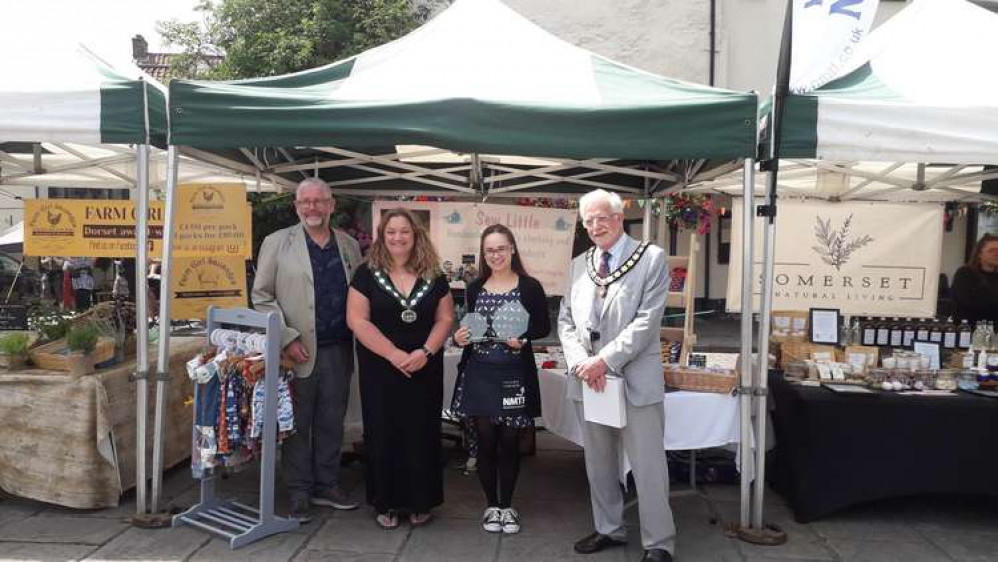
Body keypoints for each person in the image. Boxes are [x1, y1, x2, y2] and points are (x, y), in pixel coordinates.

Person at [558, 189, 676, 562]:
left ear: (619, 217)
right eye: (589, 220)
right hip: (589, 381)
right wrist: (581, 362)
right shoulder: (579, 264)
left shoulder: (651, 258)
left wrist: (603, 361)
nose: (595, 226)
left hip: (633, 381)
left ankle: (659, 543)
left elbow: (646, 322)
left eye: (602, 218)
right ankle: (609, 529)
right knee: (599, 464)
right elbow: (566, 321)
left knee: (648, 468)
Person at [252, 177, 362, 523]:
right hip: (296, 350)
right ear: (296, 207)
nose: (312, 208)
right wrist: (287, 336)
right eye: (305, 202)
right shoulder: (276, 243)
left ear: (331, 205)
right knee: (297, 423)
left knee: (332, 420)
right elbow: (261, 296)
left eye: (319, 201)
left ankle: (327, 484)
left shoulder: (348, 245)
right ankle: (299, 489)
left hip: (340, 348)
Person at [346, 208, 454, 529]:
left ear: (416, 234)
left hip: (424, 366)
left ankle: (421, 501)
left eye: (404, 231)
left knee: (422, 432)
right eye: (391, 231)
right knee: (383, 431)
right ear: (382, 235)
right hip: (380, 368)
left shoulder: (434, 274)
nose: (397, 237)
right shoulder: (366, 274)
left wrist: (426, 351)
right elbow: (357, 320)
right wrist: (393, 354)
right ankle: (387, 502)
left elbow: (445, 318)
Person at [451, 224, 551, 535]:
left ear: (512, 250)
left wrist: (522, 339)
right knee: (485, 440)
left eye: (501, 248)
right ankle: (491, 506)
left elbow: (542, 328)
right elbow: (467, 328)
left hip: (513, 375)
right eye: (490, 250)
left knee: (509, 442)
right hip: (480, 372)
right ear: (484, 254)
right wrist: (459, 337)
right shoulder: (475, 287)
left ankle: (507, 506)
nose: (496, 254)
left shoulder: (529, 286)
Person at [952, 233, 998, 324]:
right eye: (992, 250)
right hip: (968, 330)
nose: (997, 254)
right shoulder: (965, 274)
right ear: (980, 254)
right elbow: (968, 302)